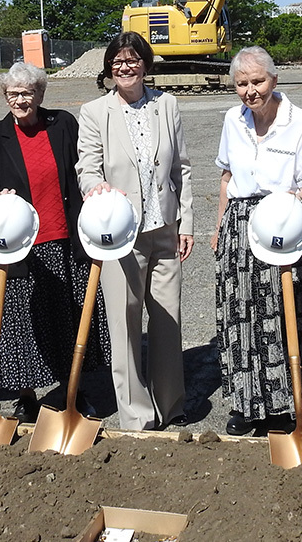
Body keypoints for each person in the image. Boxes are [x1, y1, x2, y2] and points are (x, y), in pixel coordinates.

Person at [211, 46, 302, 437]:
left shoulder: (299, 121)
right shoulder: (231, 121)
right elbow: (225, 178)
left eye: (258, 81)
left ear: (274, 79)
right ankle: (247, 404)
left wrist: (285, 208)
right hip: (240, 224)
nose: (250, 90)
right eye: (242, 84)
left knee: (295, 315)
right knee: (243, 317)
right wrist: (220, 227)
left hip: (287, 221)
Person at [0, 61, 110, 422]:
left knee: (68, 317)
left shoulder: (63, 123)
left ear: (40, 95)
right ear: (5, 96)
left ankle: (72, 390)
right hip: (23, 243)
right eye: (13, 93)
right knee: (23, 322)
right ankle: (26, 395)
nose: (21, 100)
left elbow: (82, 168)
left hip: (65, 237)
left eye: (28, 93)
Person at [77, 31, 193, 431]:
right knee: (124, 323)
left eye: (132, 60)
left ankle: (170, 402)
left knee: (167, 318)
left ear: (146, 64)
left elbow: (182, 168)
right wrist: (95, 188)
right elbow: (87, 166)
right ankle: (136, 412)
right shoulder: (95, 112)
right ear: (109, 68)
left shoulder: (168, 104)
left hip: (164, 228)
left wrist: (186, 223)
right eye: (117, 61)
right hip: (120, 234)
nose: (124, 67)